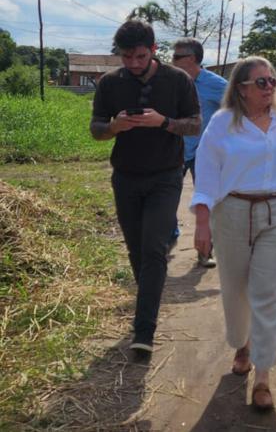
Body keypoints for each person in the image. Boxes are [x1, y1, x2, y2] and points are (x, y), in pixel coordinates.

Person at [190, 56, 276, 411]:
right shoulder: (222, 123)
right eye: (261, 82)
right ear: (242, 89)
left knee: (269, 293)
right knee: (235, 288)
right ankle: (242, 344)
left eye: (272, 81)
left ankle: (263, 374)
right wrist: (202, 221)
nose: (270, 88)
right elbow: (205, 174)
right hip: (232, 213)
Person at [90, 19, 201, 360]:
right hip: (125, 177)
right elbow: (96, 130)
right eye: (127, 57)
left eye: (140, 56)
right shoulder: (110, 83)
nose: (134, 64)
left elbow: (195, 124)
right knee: (137, 251)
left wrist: (163, 122)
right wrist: (114, 126)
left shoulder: (178, 80)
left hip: (166, 177)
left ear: (154, 51)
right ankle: (148, 301)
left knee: (154, 248)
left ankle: (144, 331)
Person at [171, 37, 227, 268]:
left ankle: (206, 251)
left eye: (176, 57)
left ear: (191, 59)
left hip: (205, 154)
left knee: (208, 203)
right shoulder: (171, 82)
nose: (171, 61)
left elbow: (236, 111)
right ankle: (168, 239)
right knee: (166, 198)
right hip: (175, 150)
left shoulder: (217, 84)